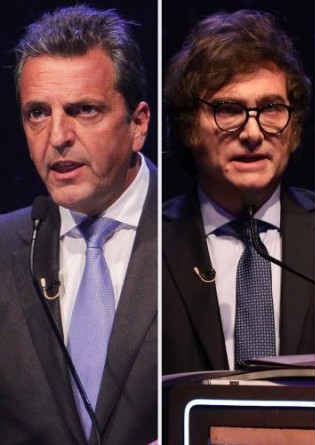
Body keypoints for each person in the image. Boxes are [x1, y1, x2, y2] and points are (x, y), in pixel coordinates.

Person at [0, 5, 156, 444]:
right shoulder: (5, 247)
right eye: (37, 113)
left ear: (137, 124)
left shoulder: (195, 228)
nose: (57, 137)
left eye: (84, 109)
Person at [162, 10, 315, 374]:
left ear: (294, 126)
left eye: (271, 108)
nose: (253, 133)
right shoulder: (152, 242)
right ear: (189, 127)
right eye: (229, 110)